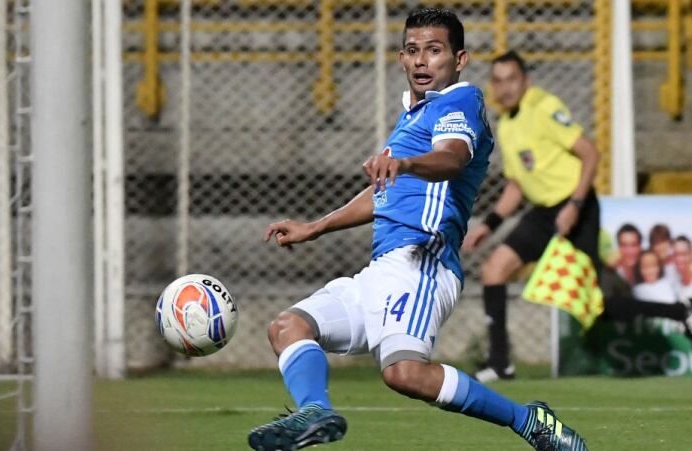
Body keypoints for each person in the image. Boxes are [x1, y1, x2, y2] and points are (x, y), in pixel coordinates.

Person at [248, 9, 587, 451]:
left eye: (434, 50)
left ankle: (529, 421)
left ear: (459, 59)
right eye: (412, 50)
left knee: (404, 373)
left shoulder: (459, 101)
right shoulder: (412, 115)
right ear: (401, 59)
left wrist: (405, 163)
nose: (422, 60)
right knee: (288, 327)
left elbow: (452, 157)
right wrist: (316, 227)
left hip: (424, 262)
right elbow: (383, 194)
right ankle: (315, 411)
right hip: (380, 269)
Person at [462, 50, 601, 383]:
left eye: (512, 79)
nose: (505, 88)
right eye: (498, 81)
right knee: (494, 270)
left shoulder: (544, 107)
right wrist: (488, 226)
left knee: (597, 303)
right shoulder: (506, 123)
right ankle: (500, 363)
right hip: (543, 212)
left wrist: (575, 206)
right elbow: (516, 186)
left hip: (577, 207)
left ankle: (681, 312)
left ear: (525, 80)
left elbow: (591, 154)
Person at [673, 235, 692, 301]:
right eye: (676, 254)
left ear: (691, 255)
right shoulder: (673, 279)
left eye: (684, 254)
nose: (679, 259)